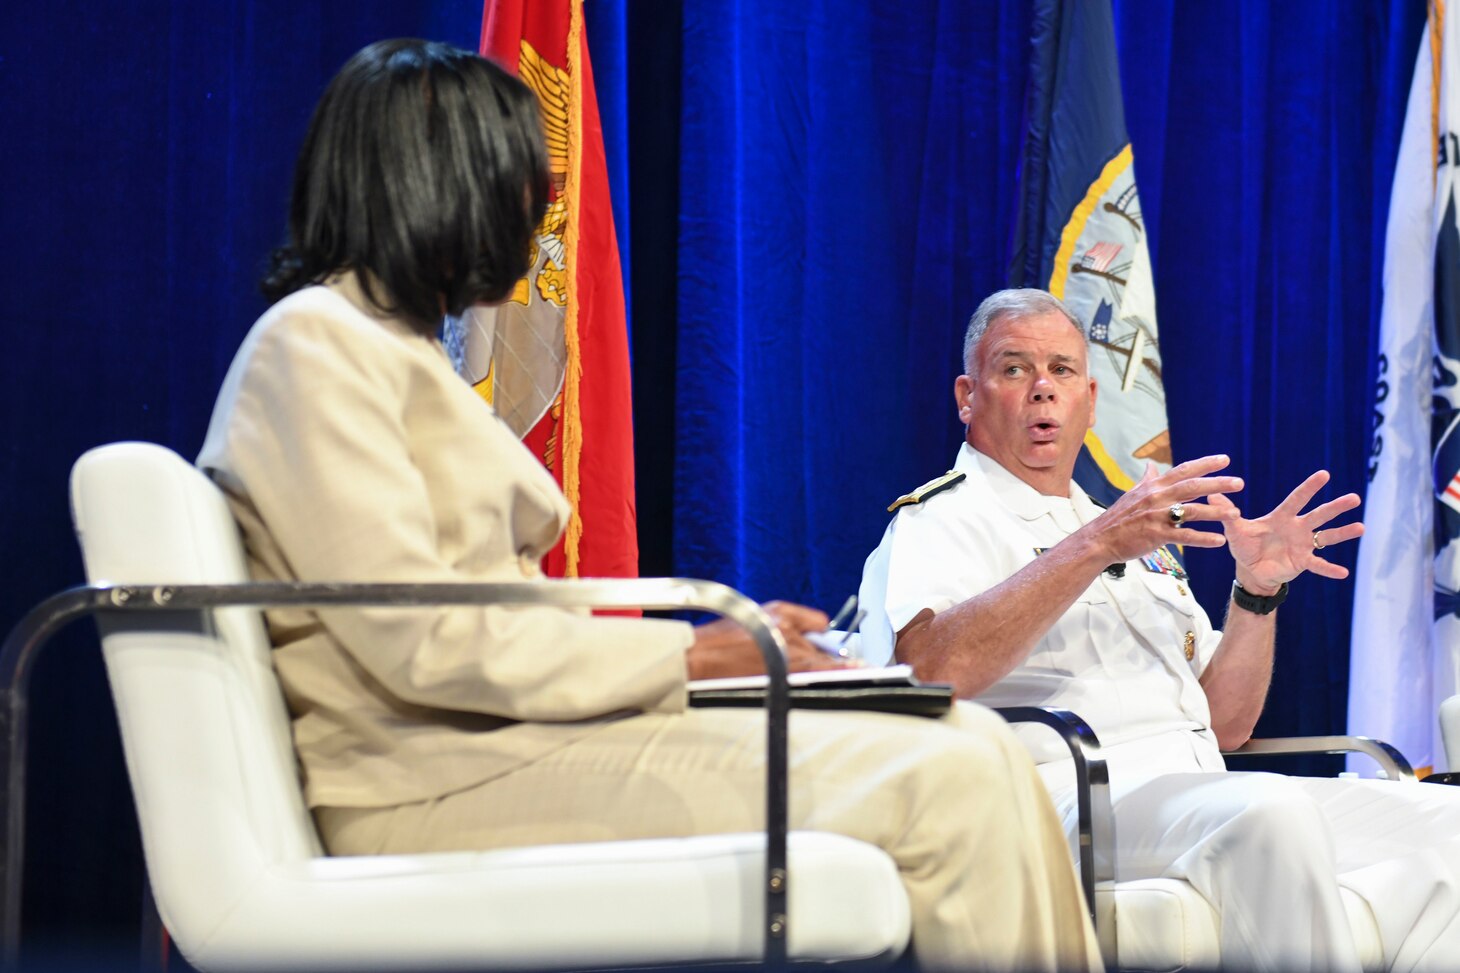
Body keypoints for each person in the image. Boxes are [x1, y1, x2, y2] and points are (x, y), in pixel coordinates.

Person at [195, 40, 1101, 971]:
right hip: (433, 780)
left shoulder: (379, 347)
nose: (537, 208)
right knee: (949, 779)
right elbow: (425, 641)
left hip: (501, 744)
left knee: (972, 744)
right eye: (518, 180)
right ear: (438, 179)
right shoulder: (314, 346)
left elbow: (460, 616)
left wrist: (727, 653)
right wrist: (693, 652)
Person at [860, 287, 1460, 972]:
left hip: (1194, 790)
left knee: (1446, 823)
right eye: (1015, 368)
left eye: (1061, 371)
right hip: (1060, 798)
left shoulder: (1137, 538)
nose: (1042, 391)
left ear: (1090, 397)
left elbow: (1225, 725)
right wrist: (1092, 545)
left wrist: (1256, 593)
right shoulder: (941, 520)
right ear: (969, 395)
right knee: (1267, 814)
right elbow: (929, 672)